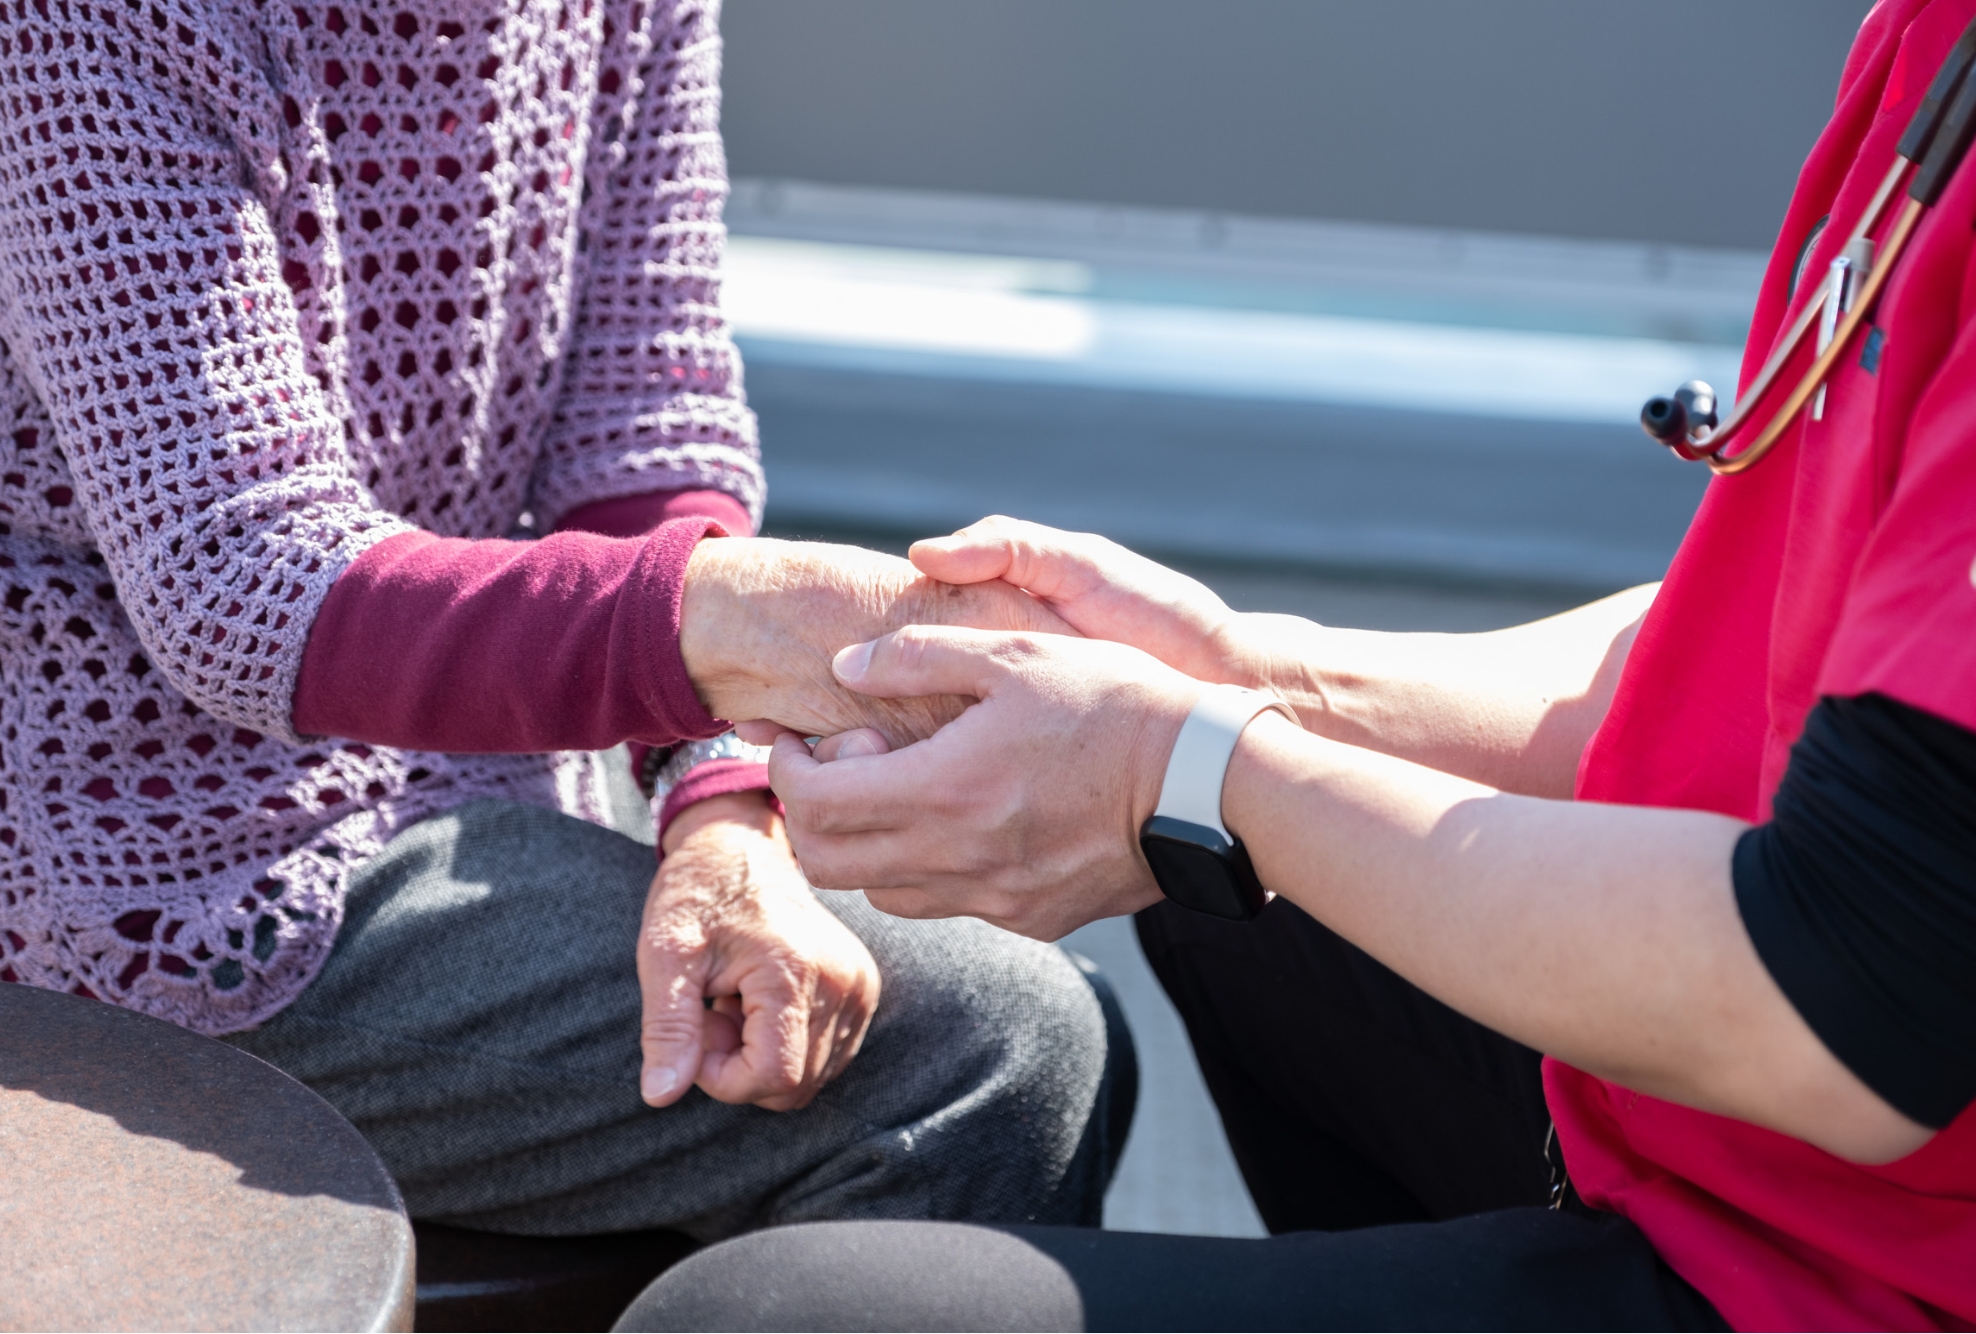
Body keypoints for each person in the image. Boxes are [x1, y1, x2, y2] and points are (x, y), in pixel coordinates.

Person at [621, 0, 1976, 1326]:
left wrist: (1190, 758)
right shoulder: (1928, 44)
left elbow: (1853, 990)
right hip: (1769, 1162)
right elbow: (1750, 646)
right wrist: (1246, 676)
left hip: (1873, 1246)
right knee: (1238, 888)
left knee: (769, 1317)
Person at [0, 0, 1131, 1238]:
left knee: (1048, 1003)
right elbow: (241, 579)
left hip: (472, 797)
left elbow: (644, 432)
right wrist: (740, 620)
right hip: (140, 868)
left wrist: (723, 801)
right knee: (996, 1052)